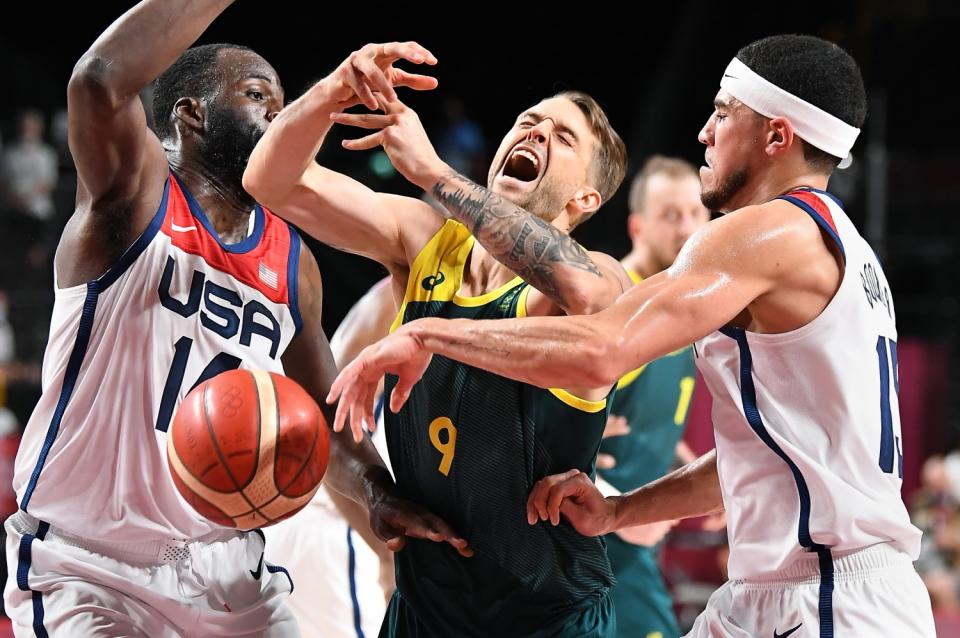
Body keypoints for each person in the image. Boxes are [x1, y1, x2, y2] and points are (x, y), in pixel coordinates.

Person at [330, 34, 937, 637]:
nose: (704, 132)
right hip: (789, 591)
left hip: (826, 597)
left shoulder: (766, 232)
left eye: (724, 114)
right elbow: (760, 458)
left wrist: (432, 335)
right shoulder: (850, 253)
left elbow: (600, 349)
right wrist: (620, 510)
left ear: (777, 136)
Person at [2, 2, 465, 635]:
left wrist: (379, 495)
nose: (279, 115)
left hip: (226, 571)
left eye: (282, 100)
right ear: (190, 115)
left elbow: (325, 412)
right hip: (92, 565)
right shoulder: (135, 196)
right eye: (256, 96)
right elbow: (98, 80)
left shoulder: (293, 262)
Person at [244, 56, 631, 635]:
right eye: (529, 119)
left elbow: (592, 299)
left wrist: (433, 172)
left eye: (563, 136)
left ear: (584, 200)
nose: (535, 131)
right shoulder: (423, 240)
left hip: (547, 615)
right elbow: (269, 180)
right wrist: (334, 90)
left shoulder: (597, 275)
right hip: (426, 606)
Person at [599, 156, 709, 638]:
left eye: (695, 213)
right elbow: (538, 419)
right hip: (596, 543)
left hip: (639, 536)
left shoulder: (687, 307)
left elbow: (648, 415)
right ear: (637, 226)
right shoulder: (608, 304)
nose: (686, 227)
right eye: (671, 215)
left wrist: (688, 466)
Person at [266, 277, 397, 638]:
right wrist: (386, 555)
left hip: (328, 521)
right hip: (341, 528)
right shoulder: (401, 294)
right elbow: (321, 422)